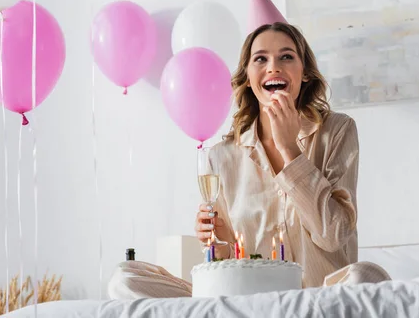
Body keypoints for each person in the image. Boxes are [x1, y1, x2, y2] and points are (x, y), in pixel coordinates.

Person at [108, 22, 390, 299]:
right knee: (125, 280)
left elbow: (334, 235)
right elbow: (230, 259)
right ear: (248, 77)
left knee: (367, 277)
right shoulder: (222, 156)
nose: (273, 67)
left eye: (286, 57)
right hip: (250, 303)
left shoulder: (336, 132)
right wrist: (219, 250)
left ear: (304, 73)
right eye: (261, 59)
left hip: (316, 300)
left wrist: (290, 149)